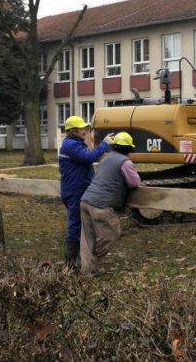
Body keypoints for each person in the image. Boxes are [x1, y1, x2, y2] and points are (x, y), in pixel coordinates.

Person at [79, 131, 141, 274]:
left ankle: (87, 271)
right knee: (112, 233)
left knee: (87, 238)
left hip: (86, 200)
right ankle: (93, 261)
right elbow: (134, 182)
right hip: (101, 204)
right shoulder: (125, 162)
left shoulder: (105, 158)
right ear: (128, 149)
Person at [58, 115, 113, 268]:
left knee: (81, 224)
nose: (85, 131)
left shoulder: (73, 143)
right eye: (82, 129)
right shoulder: (71, 146)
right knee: (75, 225)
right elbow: (89, 157)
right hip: (75, 190)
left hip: (75, 188)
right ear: (74, 131)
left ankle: (79, 259)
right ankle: (71, 262)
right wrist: (104, 144)